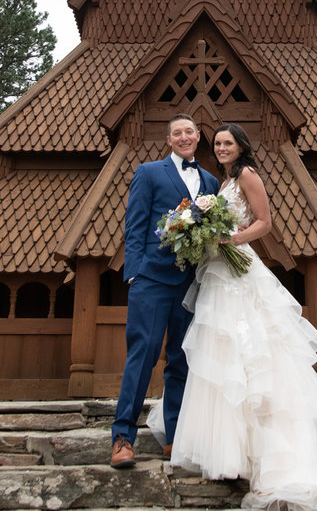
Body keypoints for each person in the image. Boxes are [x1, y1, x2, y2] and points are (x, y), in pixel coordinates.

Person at [158, 122, 317, 511]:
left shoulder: (247, 175)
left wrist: (230, 238)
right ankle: (228, 451)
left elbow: (264, 222)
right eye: (218, 144)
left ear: (241, 146)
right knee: (220, 348)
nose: (222, 147)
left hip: (239, 267)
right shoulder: (222, 181)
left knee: (252, 350)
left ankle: (269, 452)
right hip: (216, 270)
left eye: (228, 142)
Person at [110, 113, 219, 469]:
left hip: (191, 284)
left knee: (181, 360)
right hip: (152, 280)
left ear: (198, 136)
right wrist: (134, 274)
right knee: (141, 356)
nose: (184, 137)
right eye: (177, 133)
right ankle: (123, 437)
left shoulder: (210, 182)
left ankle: (175, 437)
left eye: (190, 132)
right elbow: (136, 223)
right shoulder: (149, 172)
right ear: (169, 139)